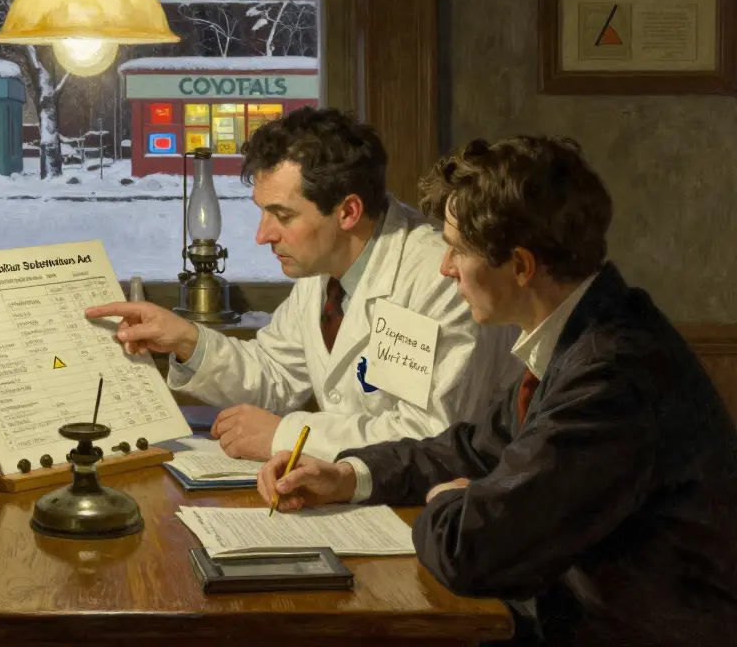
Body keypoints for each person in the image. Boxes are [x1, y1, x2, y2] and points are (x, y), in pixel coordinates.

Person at [257, 136, 737, 646]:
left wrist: (450, 501)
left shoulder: (611, 374)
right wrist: (348, 475)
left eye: (458, 250)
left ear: (522, 266)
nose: (445, 268)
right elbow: (469, 448)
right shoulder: (581, 333)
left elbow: (474, 553)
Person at [87, 106, 518, 462]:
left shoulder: (439, 276)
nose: (263, 235)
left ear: (347, 212)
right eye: (262, 212)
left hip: (444, 505)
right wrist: (186, 341)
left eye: (283, 215)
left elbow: (430, 436)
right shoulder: (327, 269)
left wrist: (288, 437)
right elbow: (275, 375)